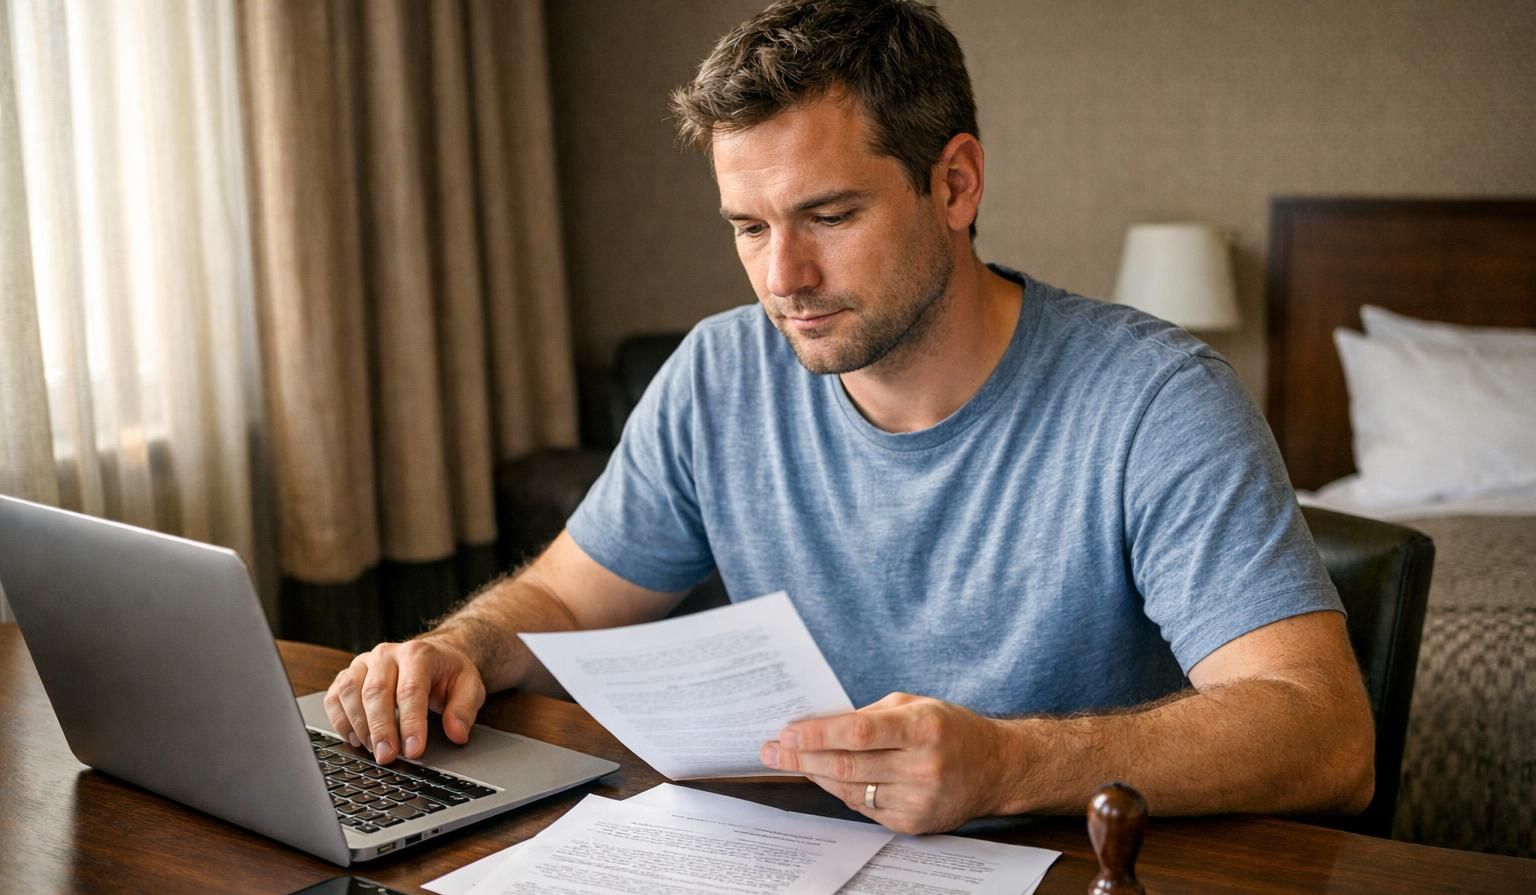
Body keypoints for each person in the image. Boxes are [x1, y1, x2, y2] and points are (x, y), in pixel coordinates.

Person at [324, 0, 1373, 834]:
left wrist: (1010, 763)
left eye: (830, 216)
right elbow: (565, 594)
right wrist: (458, 647)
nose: (784, 277)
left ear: (954, 182)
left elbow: (1326, 736)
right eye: (749, 226)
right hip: (799, 885)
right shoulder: (719, 372)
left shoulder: (1154, 400)